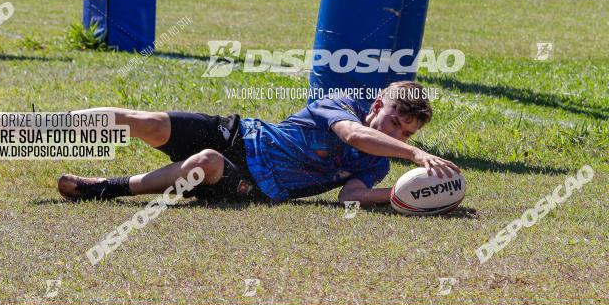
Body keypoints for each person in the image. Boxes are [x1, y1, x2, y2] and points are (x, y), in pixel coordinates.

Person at [57, 81, 460, 206]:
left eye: (407, 134)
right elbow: (353, 134)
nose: (396, 135)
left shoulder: (379, 162)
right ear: (376, 105)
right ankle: (30, 131)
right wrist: (415, 154)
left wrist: (407, 195)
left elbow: (350, 198)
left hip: (256, 185)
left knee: (208, 163)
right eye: (393, 122)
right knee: (146, 122)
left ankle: (108, 186)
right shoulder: (337, 103)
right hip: (240, 133)